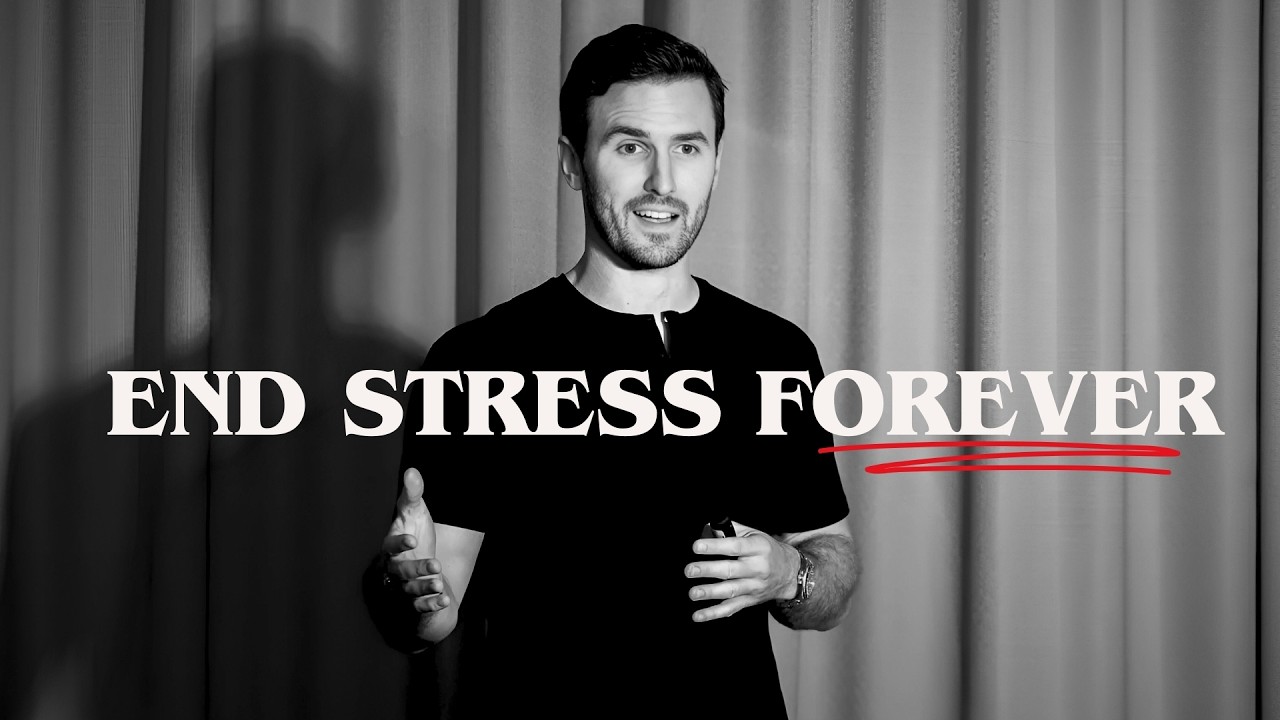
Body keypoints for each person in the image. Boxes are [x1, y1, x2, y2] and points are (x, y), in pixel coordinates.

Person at [367, 24, 858, 718]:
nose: (663, 181)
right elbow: (425, 614)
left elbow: (831, 565)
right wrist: (406, 587)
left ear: (716, 164)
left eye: (688, 147)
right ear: (573, 162)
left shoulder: (776, 352)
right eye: (630, 146)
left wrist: (791, 575)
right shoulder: (479, 359)